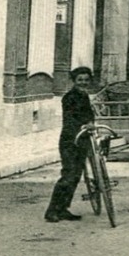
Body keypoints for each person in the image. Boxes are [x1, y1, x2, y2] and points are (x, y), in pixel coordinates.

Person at [45, 66, 96, 222]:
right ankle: (52, 210)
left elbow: (89, 114)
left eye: (86, 80)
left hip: (82, 140)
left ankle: (63, 209)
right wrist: (83, 125)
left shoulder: (85, 96)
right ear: (74, 81)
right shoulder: (69, 97)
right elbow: (70, 120)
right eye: (80, 80)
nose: (83, 83)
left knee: (76, 176)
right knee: (68, 175)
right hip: (69, 141)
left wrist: (90, 122)